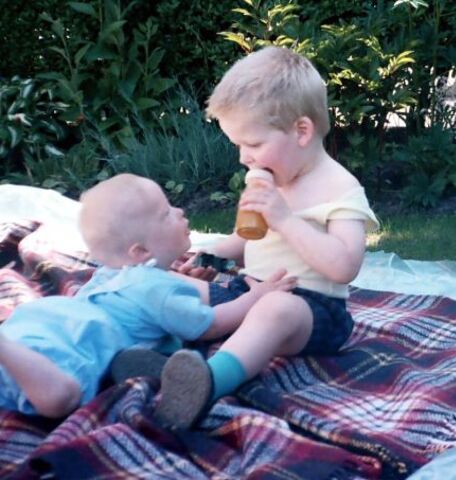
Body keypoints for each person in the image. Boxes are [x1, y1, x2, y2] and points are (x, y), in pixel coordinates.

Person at [152, 46, 379, 429]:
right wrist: (210, 257)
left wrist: (285, 219)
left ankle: (208, 382)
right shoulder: (274, 179)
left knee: (273, 310)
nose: (244, 157)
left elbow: (344, 266)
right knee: (167, 284)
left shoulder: (340, 189)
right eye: (238, 145)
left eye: (254, 145)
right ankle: (159, 356)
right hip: (250, 289)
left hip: (309, 309)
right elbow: (249, 241)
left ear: (301, 131)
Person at [0, 174, 295, 418]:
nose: (179, 212)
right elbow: (213, 324)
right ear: (140, 251)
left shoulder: (112, 274)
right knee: (62, 397)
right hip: (78, 339)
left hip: (38, 323)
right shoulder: (156, 290)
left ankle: (147, 366)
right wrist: (257, 296)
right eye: (166, 213)